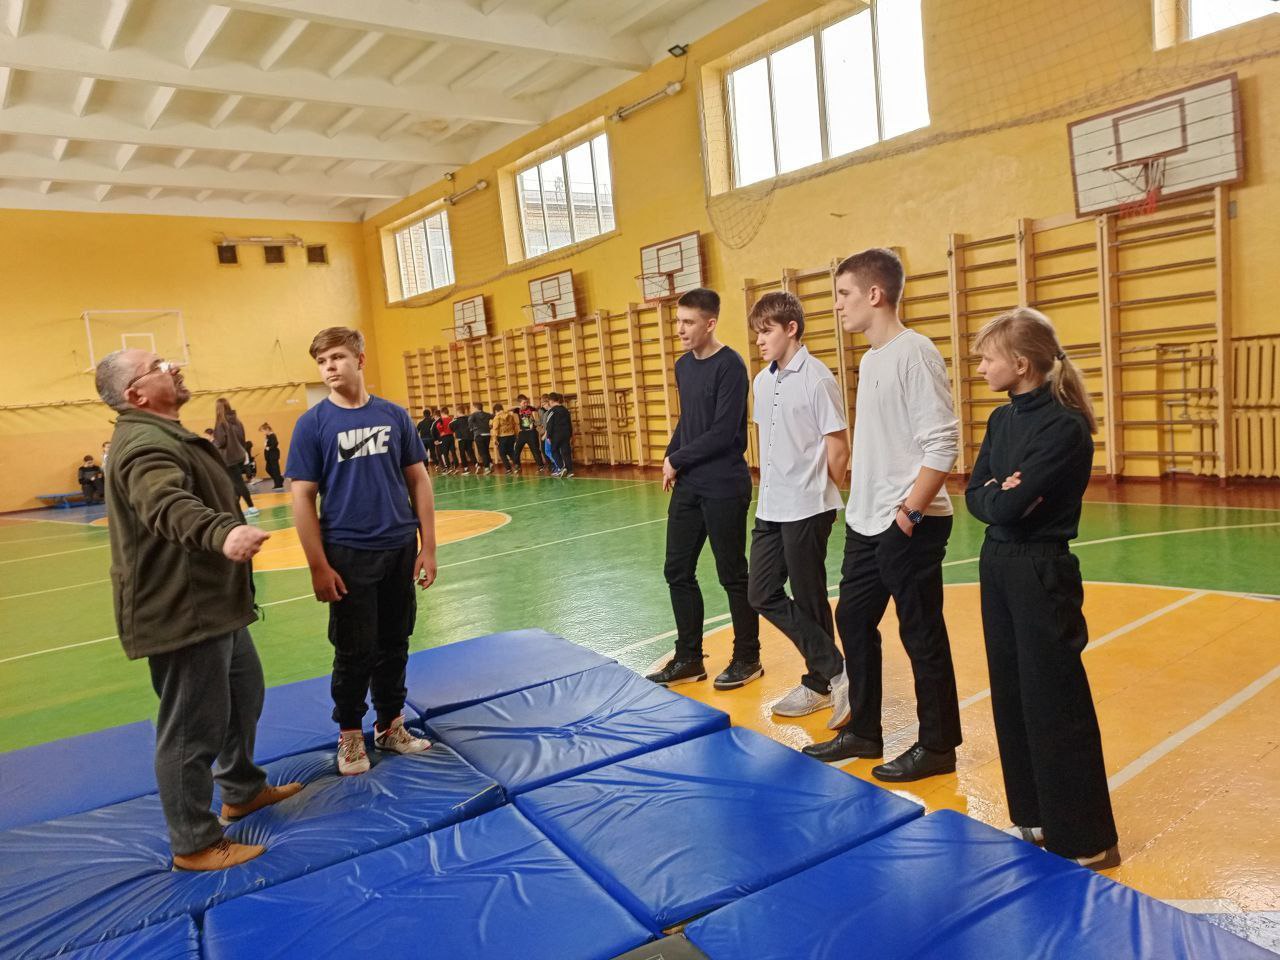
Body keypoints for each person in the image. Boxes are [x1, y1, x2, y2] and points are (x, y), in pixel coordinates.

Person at [93, 349, 301, 871]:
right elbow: (164, 503)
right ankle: (194, 842)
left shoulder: (169, 432)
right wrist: (222, 530)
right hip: (181, 609)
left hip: (214, 603)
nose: (174, 365)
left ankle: (242, 789)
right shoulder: (143, 443)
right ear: (135, 394)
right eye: (159, 365)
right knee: (191, 727)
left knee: (242, 694)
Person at [966, 307, 1120, 869]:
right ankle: (1033, 815)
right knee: (1010, 693)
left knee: (1055, 701)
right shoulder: (1003, 422)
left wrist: (1000, 496)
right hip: (998, 564)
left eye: (987, 357)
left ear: (1021, 363)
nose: (980, 367)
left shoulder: (1063, 426)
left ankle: (1086, 837)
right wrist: (997, 494)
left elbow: (1002, 502)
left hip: (1039, 570)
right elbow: (978, 494)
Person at [804, 248, 963, 784]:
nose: (838, 306)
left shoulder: (914, 352)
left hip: (908, 521)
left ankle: (938, 745)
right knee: (853, 617)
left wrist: (909, 514)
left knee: (921, 633)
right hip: (866, 522)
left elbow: (943, 444)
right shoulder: (872, 359)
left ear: (875, 295)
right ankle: (864, 730)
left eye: (844, 294)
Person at [287, 327, 437, 776]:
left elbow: (419, 481)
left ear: (359, 359)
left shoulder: (394, 415)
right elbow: (301, 498)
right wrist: (317, 564)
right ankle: (350, 734)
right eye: (321, 362)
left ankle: (390, 725)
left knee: (395, 641)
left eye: (336, 357)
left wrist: (428, 546)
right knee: (354, 649)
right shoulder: (313, 425)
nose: (329, 367)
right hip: (348, 553)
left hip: (397, 548)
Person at [646, 288, 760, 691]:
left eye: (688, 322)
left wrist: (679, 458)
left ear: (709, 323)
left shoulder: (731, 366)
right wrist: (669, 457)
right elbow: (690, 421)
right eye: (678, 321)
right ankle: (689, 658)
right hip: (690, 485)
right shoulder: (683, 366)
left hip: (724, 486)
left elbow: (724, 432)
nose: (679, 329)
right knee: (677, 570)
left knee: (733, 574)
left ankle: (748, 657)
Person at [745, 292, 849, 718]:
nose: (759, 341)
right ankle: (837, 671)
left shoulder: (818, 378)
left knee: (809, 596)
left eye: (766, 331)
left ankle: (819, 682)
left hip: (808, 505)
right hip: (770, 506)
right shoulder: (762, 380)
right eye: (756, 333)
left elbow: (838, 448)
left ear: (791, 329)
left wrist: (814, 491)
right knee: (761, 591)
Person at [213, 398, 259, 518]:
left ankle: (251, 507)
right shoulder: (237, 421)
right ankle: (235, 509)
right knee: (235, 483)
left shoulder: (221, 423)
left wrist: (214, 444)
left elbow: (221, 442)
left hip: (228, 458)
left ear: (218, 409)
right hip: (240, 455)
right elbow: (243, 438)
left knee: (238, 483)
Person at [544, 393, 574, 478]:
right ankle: (570, 471)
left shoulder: (552, 411)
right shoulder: (565, 410)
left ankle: (561, 467)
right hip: (566, 433)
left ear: (551, 401)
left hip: (556, 434)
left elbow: (549, 424)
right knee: (566, 452)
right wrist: (570, 434)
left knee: (554, 451)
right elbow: (569, 423)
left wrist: (548, 436)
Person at [513, 395, 545, 473]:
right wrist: (519, 406)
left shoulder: (530, 408)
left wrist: (529, 405)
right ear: (520, 403)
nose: (526, 404)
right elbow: (508, 409)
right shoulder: (517, 409)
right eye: (524, 403)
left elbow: (536, 408)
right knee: (516, 449)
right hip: (522, 433)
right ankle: (517, 466)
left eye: (527, 402)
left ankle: (540, 466)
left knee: (535, 450)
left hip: (532, 432)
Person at [492, 402, 519, 473]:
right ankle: (517, 466)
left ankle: (508, 469)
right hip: (511, 436)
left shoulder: (497, 417)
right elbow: (515, 426)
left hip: (502, 437)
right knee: (511, 452)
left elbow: (495, 429)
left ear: (495, 411)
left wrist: (494, 439)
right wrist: (516, 435)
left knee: (502, 453)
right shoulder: (510, 415)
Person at [539, 395, 562, 475]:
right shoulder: (547, 413)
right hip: (551, 435)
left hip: (551, 435)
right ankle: (558, 465)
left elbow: (549, 426)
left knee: (548, 451)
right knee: (549, 451)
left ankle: (560, 465)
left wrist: (546, 435)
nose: (542, 405)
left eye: (543, 403)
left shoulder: (551, 412)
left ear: (548, 402)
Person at [469, 401, 494, 474]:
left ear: (475, 408)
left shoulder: (473, 415)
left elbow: (470, 421)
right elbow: (495, 417)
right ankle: (490, 463)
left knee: (482, 452)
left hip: (479, 434)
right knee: (486, 450)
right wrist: (491, 426)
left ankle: (486, 468)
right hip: (487, 434)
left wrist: (472, 428)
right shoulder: (487, 414)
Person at [452, 402, 476, 474]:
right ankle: (476, 464)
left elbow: (451, 427)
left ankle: (466, 468)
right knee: (470, 452)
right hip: (469, 438)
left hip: (461, 439)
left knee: (462, 453)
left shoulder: (456, 420)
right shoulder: (469, 418)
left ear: (458, 412)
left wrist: (454, 419)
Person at [433, 407, 458, 473]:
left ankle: (449, 467)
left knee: (445, 453)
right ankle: (456, 467)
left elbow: (438, 426)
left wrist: (441, 431)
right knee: (453, 452)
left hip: (444, 438)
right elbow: (454, 427)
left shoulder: (441, 420)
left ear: (442, 413)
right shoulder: (451, 419)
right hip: (451, 437)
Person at [260, 423, 284, 490]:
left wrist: (269, 448)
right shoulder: (267, 437)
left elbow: (275, 444)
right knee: (268, 469)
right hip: (269, 457)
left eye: (263, 431)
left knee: (275, 470)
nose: (263, 433)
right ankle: (279, 479)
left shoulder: (272, 435)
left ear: (267, 429)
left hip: (273, 456)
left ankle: (278, 484)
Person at [415, 407, 437, 473]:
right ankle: (437, 466)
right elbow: (435, 430)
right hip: (431, 439)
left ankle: (426, 468)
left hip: (423, 440)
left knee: (425, 454)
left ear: (423, 415)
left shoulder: (420, 423)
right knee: (433, 453)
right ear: (430, 414)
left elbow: (416, 431)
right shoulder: (433, 421)